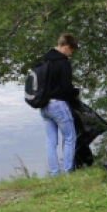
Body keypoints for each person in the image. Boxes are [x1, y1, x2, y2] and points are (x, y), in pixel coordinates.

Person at [40, 33, 80, 176]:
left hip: (44, 105)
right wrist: (75, 92)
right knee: (69, 138)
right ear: (67, 47)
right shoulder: (63, 63)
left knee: (51, 141)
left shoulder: (44, 60)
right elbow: (65, 88)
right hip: (58, 105)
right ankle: (68, 172)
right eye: (71, 50)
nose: (71, 54)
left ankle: (54, 173)